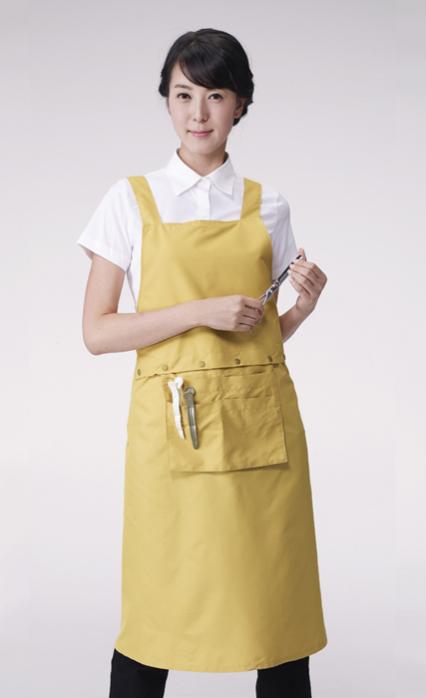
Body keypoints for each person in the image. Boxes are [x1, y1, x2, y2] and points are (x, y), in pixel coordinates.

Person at [77, 28, 328, 698]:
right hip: (171, 435)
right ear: (166, 100)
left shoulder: (269, 207)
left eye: (215, 95)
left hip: (260, 435)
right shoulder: (129, 201)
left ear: (240, 103)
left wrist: (300, 311)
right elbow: (97, 332)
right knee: (155, 615)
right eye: (184, 94)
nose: (198, 113)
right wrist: (200, 311)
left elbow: (258, 341)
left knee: (276, 615)